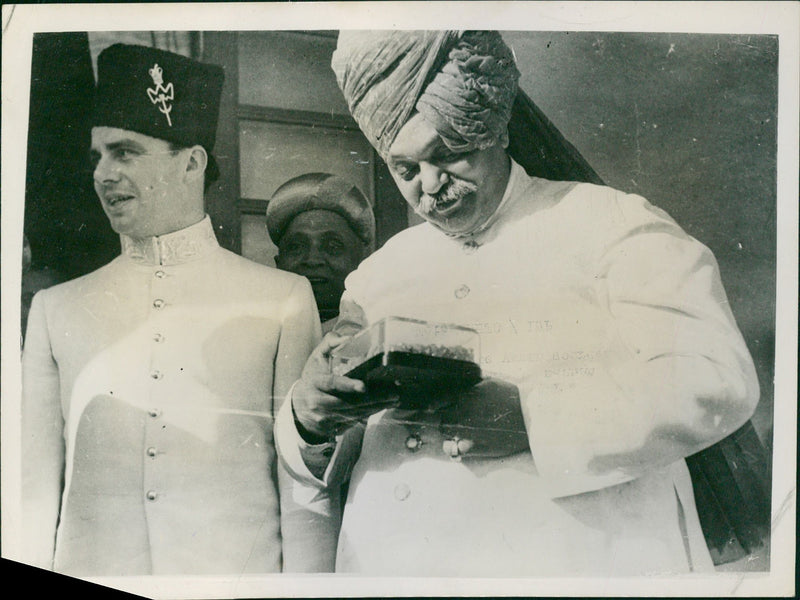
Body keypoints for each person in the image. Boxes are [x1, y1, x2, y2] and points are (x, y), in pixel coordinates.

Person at [274, 31, 760, 576]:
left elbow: (716, 380)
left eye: (449, 155)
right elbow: (332, 451)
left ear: (497, 129)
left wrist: (533, 419)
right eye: (404, 169)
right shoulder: (377, 274)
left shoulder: (613, 224)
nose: (429, 187)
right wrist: (309, 420)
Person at [21, 43, 320, 576]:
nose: (103, 175)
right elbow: (32, 498)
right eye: (98, 157)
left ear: (191, 162)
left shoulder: (283, 301)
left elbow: (304, 493)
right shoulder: (54, 310)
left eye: (125, 152)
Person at [267, 173, 375, 334]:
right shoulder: (259, 334)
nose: (312, 260)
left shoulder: (381, 332)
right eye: (296, 247)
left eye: (333, 246)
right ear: (278, 263)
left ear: (363, 261)